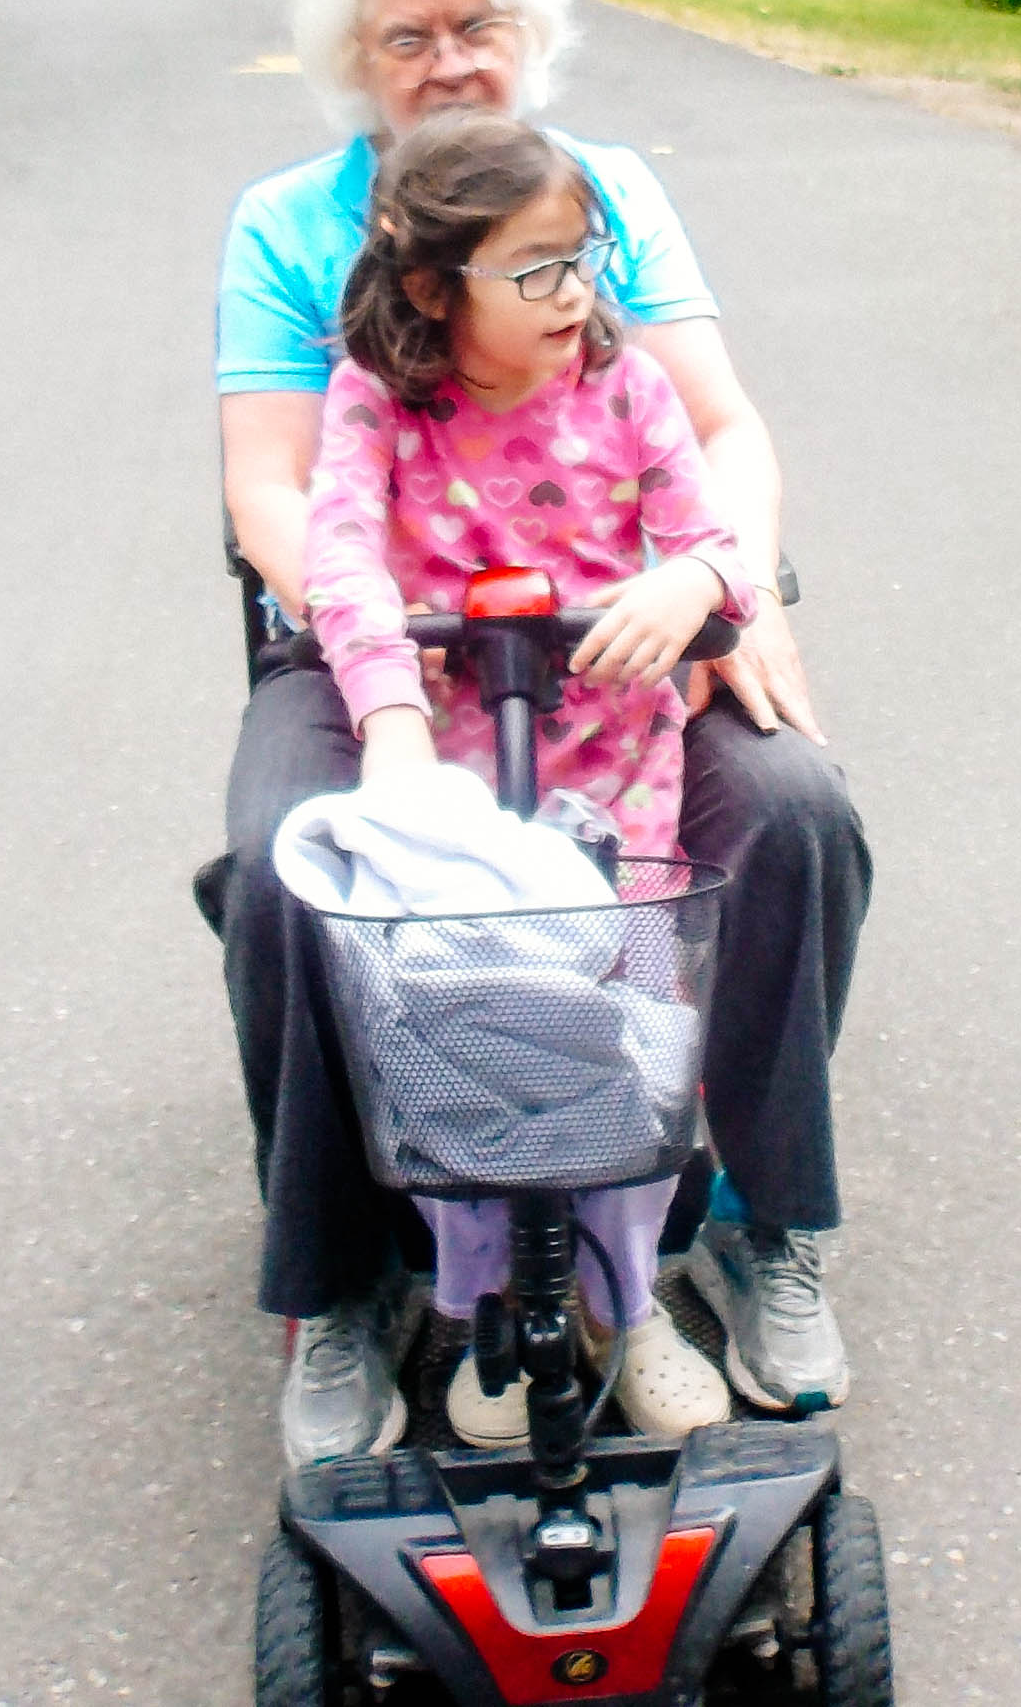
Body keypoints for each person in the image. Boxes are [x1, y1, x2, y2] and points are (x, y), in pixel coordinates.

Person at [209, 0, 872, 1469]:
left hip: (622, 634)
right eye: (405, 37)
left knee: (791, 811)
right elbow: (275, 491)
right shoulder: (294, 230)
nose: (447, 61)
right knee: (289, 867)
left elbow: (714, 428)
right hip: (398, 633)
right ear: (352, 63)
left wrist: (732, 601)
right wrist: (391, 676)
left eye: (476, 23)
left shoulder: (603, 196)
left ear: (530, 29)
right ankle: (344, 1277)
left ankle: (760, 1220)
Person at [302, 108, 753, 1447]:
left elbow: (716, 538)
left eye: (587, 260)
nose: (579, 296)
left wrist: (688, 580)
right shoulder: (380, 400)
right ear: (436, 286)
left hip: (613, 793)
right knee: (459, 1047)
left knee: (622, 1053)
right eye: (539, 270)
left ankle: (631, 1299)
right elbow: (339, 559)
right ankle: (481, 1301)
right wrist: (386, 715)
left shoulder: (626, 389)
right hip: (453, 804)